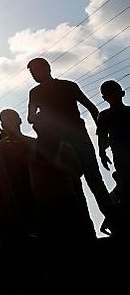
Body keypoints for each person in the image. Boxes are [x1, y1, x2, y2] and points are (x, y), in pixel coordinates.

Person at [26, 58, 110, 219]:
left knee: (90, 181)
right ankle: (89, 227)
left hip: (74, 139)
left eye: (35, 71)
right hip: (63, 142)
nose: (34, 75)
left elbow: (92, 108)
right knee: (76, 184)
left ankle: (112, 221)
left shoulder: (66, 86)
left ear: (47, 68)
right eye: (32, 73)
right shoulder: (38, 92)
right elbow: (31, 118)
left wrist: (102, 136)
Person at [0, 109, 37, 295]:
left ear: (20, 120)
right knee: (5, 244)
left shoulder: (31, 144)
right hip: (4, 204)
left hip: (30, 199)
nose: (9, 124)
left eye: (12, 119)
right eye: (5, 121)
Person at [98, 80, 130, 179]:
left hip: (120, 156)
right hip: (120, 157)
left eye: (113, 91)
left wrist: (102, 154)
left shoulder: (104, 115)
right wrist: (102, 154)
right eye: (109, 92)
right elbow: (102, 137)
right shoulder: (104, 116)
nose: (112, 95)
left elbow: (102, 138)